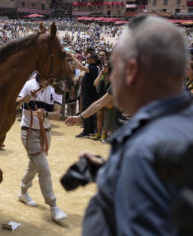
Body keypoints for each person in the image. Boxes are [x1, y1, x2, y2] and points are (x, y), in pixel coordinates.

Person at [77, 15, 193, 235]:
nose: (110, 79)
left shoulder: (143, 150)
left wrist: (107, 192)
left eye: (114, 69)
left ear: (132, 71)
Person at [16, 72, 67, 222]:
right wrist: (23, 99)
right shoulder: (29, 85)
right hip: (29, 131)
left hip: (46, 133)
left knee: (34, 165)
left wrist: (45, 114)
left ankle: (23, 192)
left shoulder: (56, 88)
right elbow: (15, 103)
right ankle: (53, 206)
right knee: (44, 169)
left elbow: (57, 115)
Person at [71, 51, 99, 138]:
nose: (86, 59)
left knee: (87, 111)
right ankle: (89, 130)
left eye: (88, 58)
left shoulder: (94, 67)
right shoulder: (90, 67)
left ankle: (86, 131)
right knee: (87, 111)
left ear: (94, 60)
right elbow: (80, 67)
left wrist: (73, 58)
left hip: (90, 94)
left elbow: (82, 68)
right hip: (87, 94)